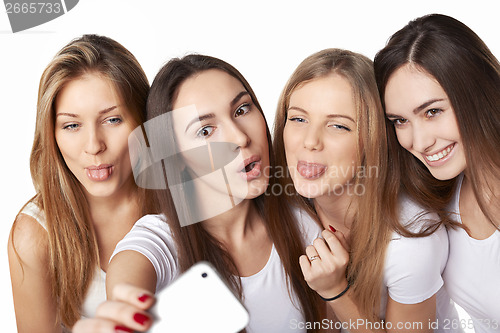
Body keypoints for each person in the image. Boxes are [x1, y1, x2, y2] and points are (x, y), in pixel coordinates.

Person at [74, 54, 327, 333]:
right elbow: (131, 271)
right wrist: (126, 311)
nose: (240, 138)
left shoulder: (303, 225)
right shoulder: (162, 240)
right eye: (206, 130)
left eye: (242, 110)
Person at [273, 48, 461, 332]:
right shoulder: (288, 207)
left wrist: (336, 290)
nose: (310, 141)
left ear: (372, 140)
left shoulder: (410, 240)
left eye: (338, 126)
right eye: (299, 119)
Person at [7, 35, 158, 333]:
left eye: (112, 120)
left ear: (143, 120)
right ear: (52, 134)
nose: (93, 146)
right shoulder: (35, 234)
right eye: (72, 125)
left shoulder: (181, 196)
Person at [374, 14, 500, 333]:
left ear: (477, 91)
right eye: (400, 121)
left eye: (432, 112)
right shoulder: (441, 196)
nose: (419, 141)